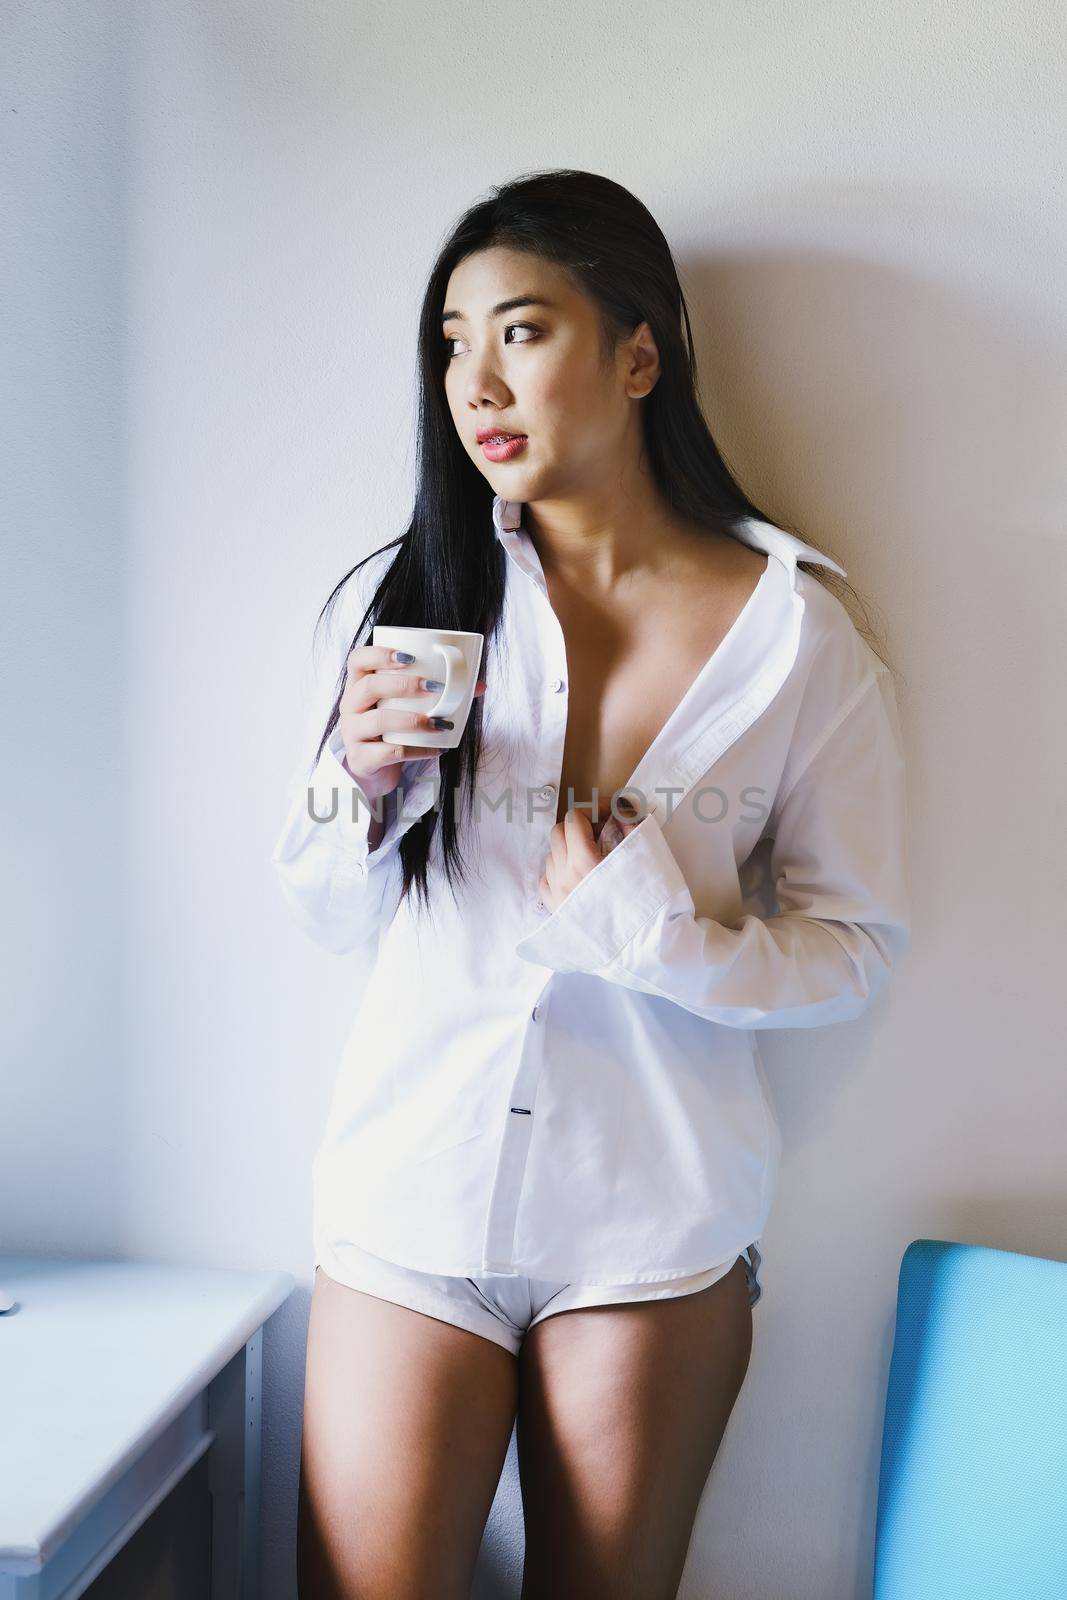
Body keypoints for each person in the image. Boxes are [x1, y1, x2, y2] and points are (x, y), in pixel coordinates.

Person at [273, 169, 911, 1600]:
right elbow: (321, 908)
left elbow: (856, 947)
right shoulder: (400, 604)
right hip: (409, 1210)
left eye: (521, 331)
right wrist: (351, 787)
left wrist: (654, 930)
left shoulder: (798, 640)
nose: (476, 380)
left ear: (638, 354)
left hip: (652, 1228)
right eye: (450, 341)